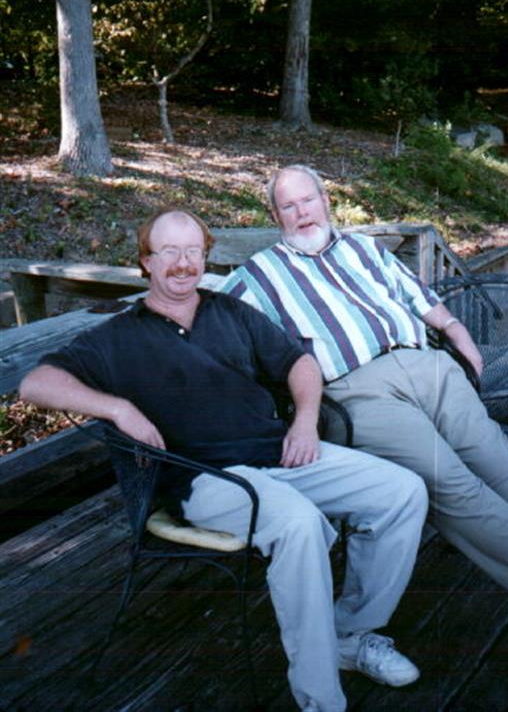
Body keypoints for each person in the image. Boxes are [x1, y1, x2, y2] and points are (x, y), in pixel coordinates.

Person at [19, 207, 428, 712]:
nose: (183, 263)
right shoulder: (118, 337)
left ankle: (350, 634)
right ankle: (321, 700)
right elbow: (35, 383)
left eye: (193, 251)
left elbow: (299, 362)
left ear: (205, 256)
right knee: (298, 524)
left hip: (279, 453)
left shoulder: (230, 311)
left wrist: (304, 421)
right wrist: (118, 408)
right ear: (146, 261)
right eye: (169, 251)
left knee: (402, 492)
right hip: (205, 478)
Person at [220, 164, 508, 638]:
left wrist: (458, 333)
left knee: (500, 466)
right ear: (275, 216)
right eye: (288, 206)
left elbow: (421, 298)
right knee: (451, 485)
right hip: (357, 391)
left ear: (326, 201)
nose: (302, 213)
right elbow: (203, 328)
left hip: (431, 368)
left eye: (308, 200)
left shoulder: (365, 249)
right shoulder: (256, 278)